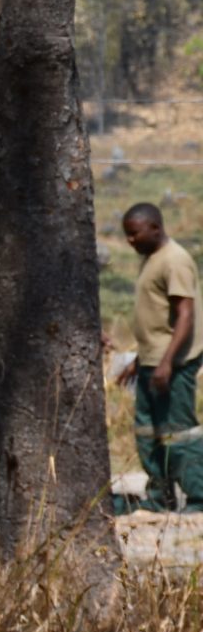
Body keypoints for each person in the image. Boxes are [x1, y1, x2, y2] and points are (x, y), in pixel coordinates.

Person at [115, 203, 203, 511]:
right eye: (127, 235)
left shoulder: (175, 260)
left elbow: (185, 315)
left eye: (134, 233)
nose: (130, 240)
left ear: (155, 228)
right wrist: (139, 361)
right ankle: (159, 494)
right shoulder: (151, 258)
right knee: (146, 429)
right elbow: (157, 319)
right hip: (152, 362)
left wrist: (167, 362)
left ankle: (198, 496)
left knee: (179, 431)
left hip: (173, 363)